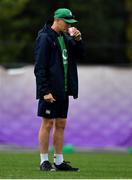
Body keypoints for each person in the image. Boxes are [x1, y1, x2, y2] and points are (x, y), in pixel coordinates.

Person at [34, 8, 84, 171]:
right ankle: (43, 161)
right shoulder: (45, 37)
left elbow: (80, 55)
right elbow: (40, 67)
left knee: (61, 123)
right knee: (47, 123)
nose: (69, 25)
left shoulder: (65, 37)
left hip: (63, 89)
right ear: (57, 20)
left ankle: (59, 161)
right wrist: (44, 91)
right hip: (50, 90)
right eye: (67, 22)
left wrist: (78, 40)